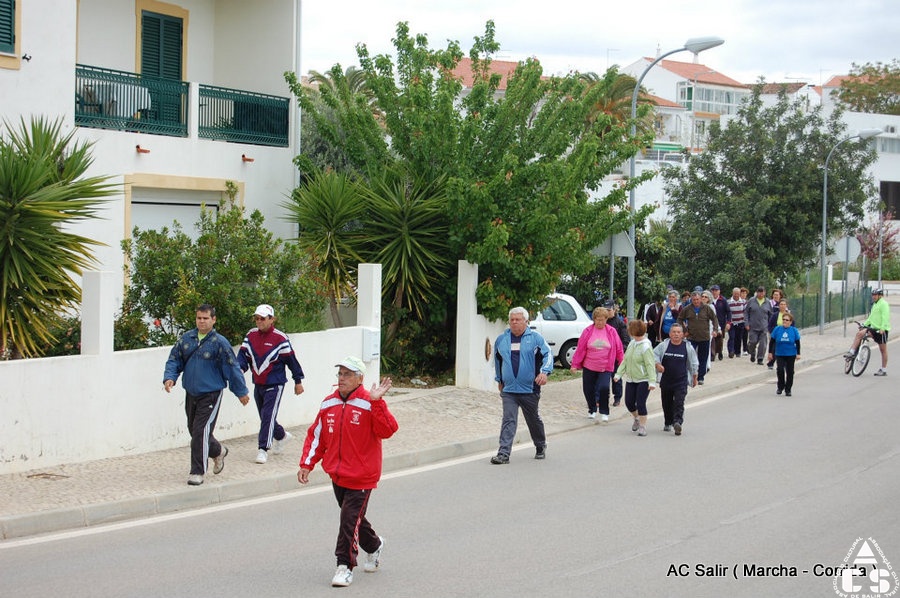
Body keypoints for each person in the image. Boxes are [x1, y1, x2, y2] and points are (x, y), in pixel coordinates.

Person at [298, 357, 397, 588]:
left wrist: (377, 403)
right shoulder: (328, 403)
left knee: (348, 520)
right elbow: (317, 436)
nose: (342, 378)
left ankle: (344, 566)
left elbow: (388, 430)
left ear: (360, 378)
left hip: (362, 476)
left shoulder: (369, 401)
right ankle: (374, 546)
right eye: (340, 374)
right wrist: (306, 464)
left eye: (347, 374)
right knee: (353, 520)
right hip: (338, 475)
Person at [163, 304, 250, 486]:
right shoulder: (187, 339)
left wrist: (241, 391)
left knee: (200, 431)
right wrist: (170, 377)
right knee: (194, 430)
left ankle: (197, 471)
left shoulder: (220, 343)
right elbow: (174, 359)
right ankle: (218, 451)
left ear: (213, 319)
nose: (201, 321)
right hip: (191, 392)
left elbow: (232, 367)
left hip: (211, 394)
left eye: (205, 318)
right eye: (199, 318)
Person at [238, 304, 306, 465]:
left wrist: (298, 381)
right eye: (257, 318)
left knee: (267, 416)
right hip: (258, 383)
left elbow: (291, 361)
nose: (259, 321)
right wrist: (239, 369)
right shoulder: (251, 335)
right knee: (265, 417)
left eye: (262, 318)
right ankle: (281, 436)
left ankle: (263, 449)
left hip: (275, 384)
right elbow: (243, 356)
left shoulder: (280, 338)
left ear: (272, 319)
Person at [491, 306, 553, 463]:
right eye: (511, 320)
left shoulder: (536, 338)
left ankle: (540, 445)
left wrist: (544, 372)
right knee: (508, 419)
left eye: (518, 319)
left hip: (529, 389)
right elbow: (497, 360)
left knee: (533, 419)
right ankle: (503, 453)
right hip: (509, 389)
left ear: (526, 321)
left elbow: (548, 355)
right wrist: (499, 379)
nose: (514, 322)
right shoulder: (501, 339)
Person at [571, 307, 624, 423]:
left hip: (605, 366)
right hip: (589, 366)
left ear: (606, 319)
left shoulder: (611, 331)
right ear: (594, 319)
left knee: (604, 388)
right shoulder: (588, 331)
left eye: (602, 320)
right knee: (588, 389)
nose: (600, 322)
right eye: (598, 320)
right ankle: (592, 409)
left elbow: (619, 348)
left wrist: (622, 362)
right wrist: (575, 364)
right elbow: (580, 349)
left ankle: (604, 411)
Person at [653, 323, 698, 436]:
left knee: (679, 402)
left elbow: (694, 362)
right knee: (666, 403)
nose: (676, 334)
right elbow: (653, 355)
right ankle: (668, 422)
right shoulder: (664, 345)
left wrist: (695, 377)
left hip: (681, 381)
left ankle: (677, 422)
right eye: (674, 332)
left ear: (683, 334)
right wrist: (657, 364)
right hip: (666, 380)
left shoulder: (687, 347)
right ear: (670, 334)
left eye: (678, 332)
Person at [614, 320, 657, 437]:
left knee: (641, 403)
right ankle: (636, 418)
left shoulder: (646, 346)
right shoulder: (632, 343)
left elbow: (650, 364)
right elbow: (625, 360)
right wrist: (618, 374)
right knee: (629, 403)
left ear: (633, 332)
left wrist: (652, 381)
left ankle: (642, 426)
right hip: (631, 379)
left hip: (643, 379)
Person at [677, 291, 720, 385]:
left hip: (704, 337)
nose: (696, 301)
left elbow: (714, 319)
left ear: (700, 299)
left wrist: (715, 330)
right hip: (691, 337)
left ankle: (701, 377)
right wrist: (684, 330)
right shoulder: (687, 309)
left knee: (703, 358)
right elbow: (679, 318)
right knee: (690, 357)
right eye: (694, 300)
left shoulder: (707, 308)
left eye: (697, 299)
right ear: (691, 300)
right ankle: (690, 375)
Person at [846, 288, 891, 376]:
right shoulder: (874, 304)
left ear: (880, 295)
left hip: (881, 330)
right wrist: (864, 324)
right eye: (873, 295)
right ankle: (852, 352)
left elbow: (885, 317)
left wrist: (882, 328)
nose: (873, 297)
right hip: (872, 329)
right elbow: (871, 318)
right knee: (859, 334)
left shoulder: (884, 304)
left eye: (875, 295)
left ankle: (883, 369)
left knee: (883, 350)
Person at [767, 313, 800, 396]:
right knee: (780, 370)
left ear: (790, 322)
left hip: (791, 354)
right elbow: (772, 342)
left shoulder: (794, 330)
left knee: (790, 372)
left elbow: (797, 342)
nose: (785, 321)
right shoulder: (777, 329)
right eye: (783, 319)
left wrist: (798, 353)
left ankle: (788, 389)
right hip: (780, 353)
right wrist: (770, 353)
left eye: (787, 320)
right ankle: (780, 386)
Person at [604, 300, 630, 405]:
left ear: (614, 310)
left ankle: (617, 398)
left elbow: (626, 341)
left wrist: (618, 352)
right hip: (603, 356)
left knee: (616, 378)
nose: (607, 312)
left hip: (615, 356)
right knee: (603, 379)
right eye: (605, 310)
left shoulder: (620, 324)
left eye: (609, 310)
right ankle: (602, 398)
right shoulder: (602, 322)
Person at [745, 286, 773, 365]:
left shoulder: (767, 302)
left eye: (762, 292)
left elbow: (771, 314)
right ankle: (752, 352)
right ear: (757, 292)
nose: (761, 294)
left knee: (763, 344)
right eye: (759, 292)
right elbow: (746, 312)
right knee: (752, 342)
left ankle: (760, 358)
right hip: (753, 326)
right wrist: (746, 323)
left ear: (764, 293)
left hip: (764, 327)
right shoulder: (751, 300)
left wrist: (770, 325)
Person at [765, 298, 791, 370]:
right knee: (774, 349)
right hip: (777, 335)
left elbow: (792, 326)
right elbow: (770, 325)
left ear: (786, 306)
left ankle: (785, 364)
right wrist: (773, 332)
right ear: (779, 306)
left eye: (784, 304)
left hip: (786, 335)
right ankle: (771, 362)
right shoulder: (775, 315)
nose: (783, 306)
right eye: (781, 304)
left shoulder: (789, 315)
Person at [709, 285, 731, 361]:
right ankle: (713, 353)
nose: (714, 292)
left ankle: (720, 351)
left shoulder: (723, 300)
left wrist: (728, 322)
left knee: (720, 339)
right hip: (712, 323)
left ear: (719, 291)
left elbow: (728, 312)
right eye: (713, 290)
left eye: (716, 290)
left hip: (721, 323)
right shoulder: (709, 301)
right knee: (713, 338)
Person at [727, 287, 747, 358]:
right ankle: (731, 351)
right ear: (732, 293)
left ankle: (737, 352)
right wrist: (727, 322)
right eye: (735, 293)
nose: (736, 295)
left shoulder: (743, 302)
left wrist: (746, 321)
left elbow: (745, 312)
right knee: (732, 337)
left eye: (738, 294)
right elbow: (727, 312)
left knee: (738, 338)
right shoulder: (728, 302)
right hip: (732, 322)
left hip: (741, 322)